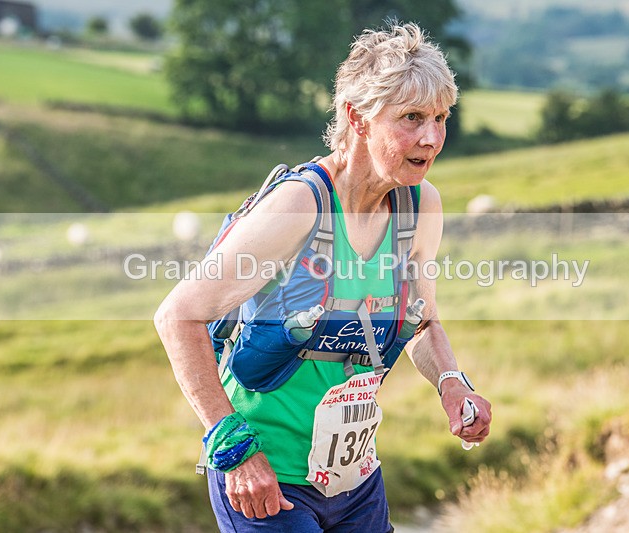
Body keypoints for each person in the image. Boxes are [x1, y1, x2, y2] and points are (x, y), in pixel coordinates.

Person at [154, 22, 492, 532]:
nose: (432, 137)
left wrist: (451, 382)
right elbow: (177, 316)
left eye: (441, 117)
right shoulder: (299, 205)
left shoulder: (420, 205)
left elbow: (422, 324)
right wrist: (232, 449)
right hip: (267, 482)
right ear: (356, 117)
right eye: (412, 118)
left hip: (355, 482)